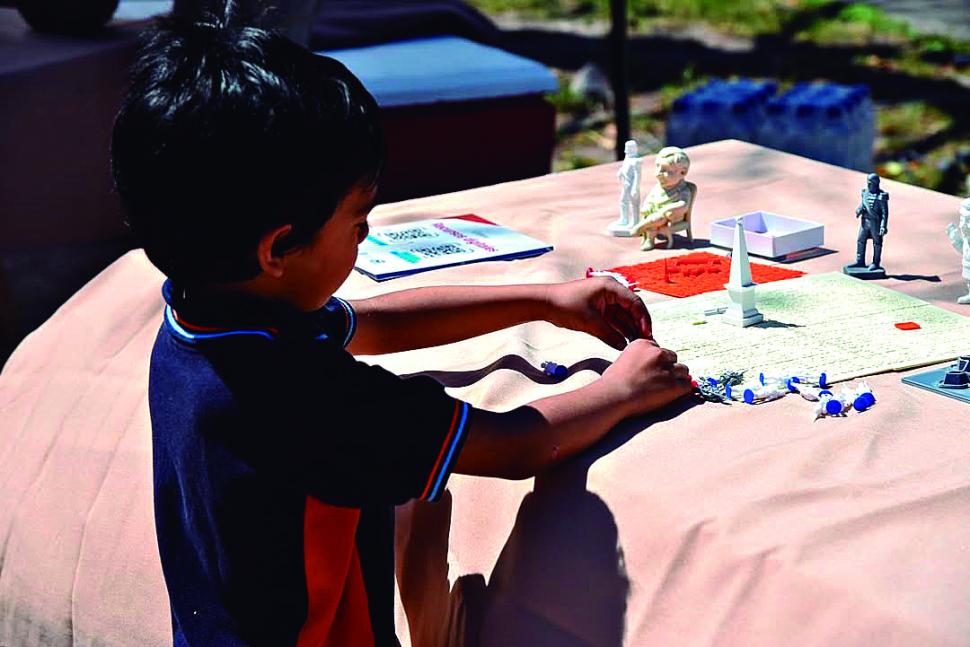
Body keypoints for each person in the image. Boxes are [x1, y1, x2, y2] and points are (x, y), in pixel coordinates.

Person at [110, 8, 692, 647]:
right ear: (277, 251)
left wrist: (545, 299)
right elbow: (518, 446)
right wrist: (625, 389)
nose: (365, 237)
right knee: (427, 493)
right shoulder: (309, 397)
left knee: (419, 496)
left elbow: (371, 325)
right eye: (358, 223)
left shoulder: (204, 323)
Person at [633, 146, 695, 251]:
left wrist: (667, 209)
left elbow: (683, 205)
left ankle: (640, 227)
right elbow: (650, 198)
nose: (658, 174)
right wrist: (647, 205)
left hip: (673, 217)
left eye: (667, 171)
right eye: (657, 167)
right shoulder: (658, 187)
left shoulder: (684, 190)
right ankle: (649, 239)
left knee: (662, 217)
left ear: (682, 173)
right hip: (655, 215)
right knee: (656, 217)